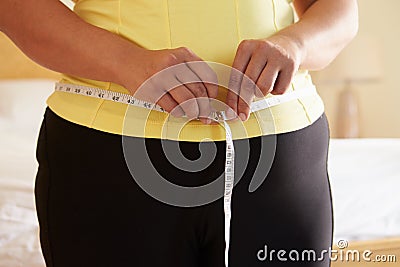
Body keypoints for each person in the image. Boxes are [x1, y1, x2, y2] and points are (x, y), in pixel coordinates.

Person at [0, 0, 358, 266]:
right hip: (107, 156)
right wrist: (126, 62)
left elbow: (341, 11)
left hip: (281, 159)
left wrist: (295, 44)